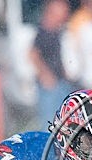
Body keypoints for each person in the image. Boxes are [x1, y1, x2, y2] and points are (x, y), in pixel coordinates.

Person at [30, 0, 75, 129]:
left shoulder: (58, 31)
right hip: (50, 86)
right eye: (63, 11)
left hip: (61, 83)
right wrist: (45, 74)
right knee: (50, 125)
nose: (66, 15)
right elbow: (32, 54)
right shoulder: (45, 31)